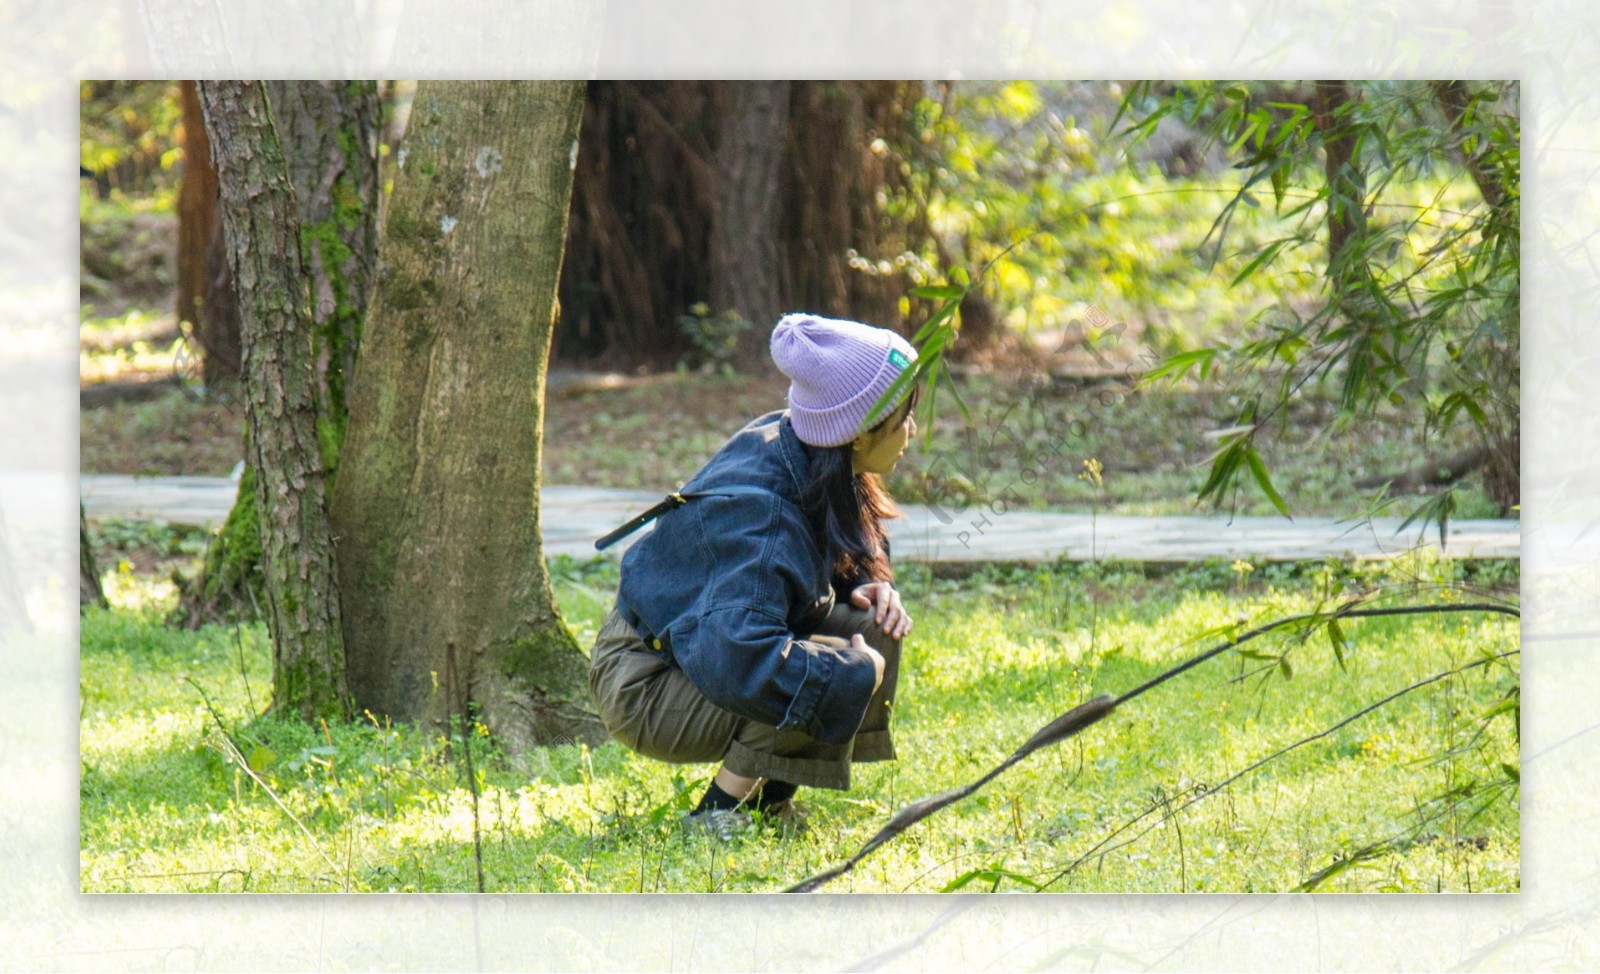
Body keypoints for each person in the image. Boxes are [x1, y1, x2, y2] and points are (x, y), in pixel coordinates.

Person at [588, 312, 921, 835]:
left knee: (874, 626)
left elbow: (852, 533)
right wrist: (850, 675)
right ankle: (718, 815)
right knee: (839, 667)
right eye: (903, 416)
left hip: (697, 648)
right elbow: (740, 661)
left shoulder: (811, 448)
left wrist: (866, 584)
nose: (911, 430)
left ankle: (769, 804)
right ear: (858, 434)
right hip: (645, 682)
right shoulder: (761, 521)